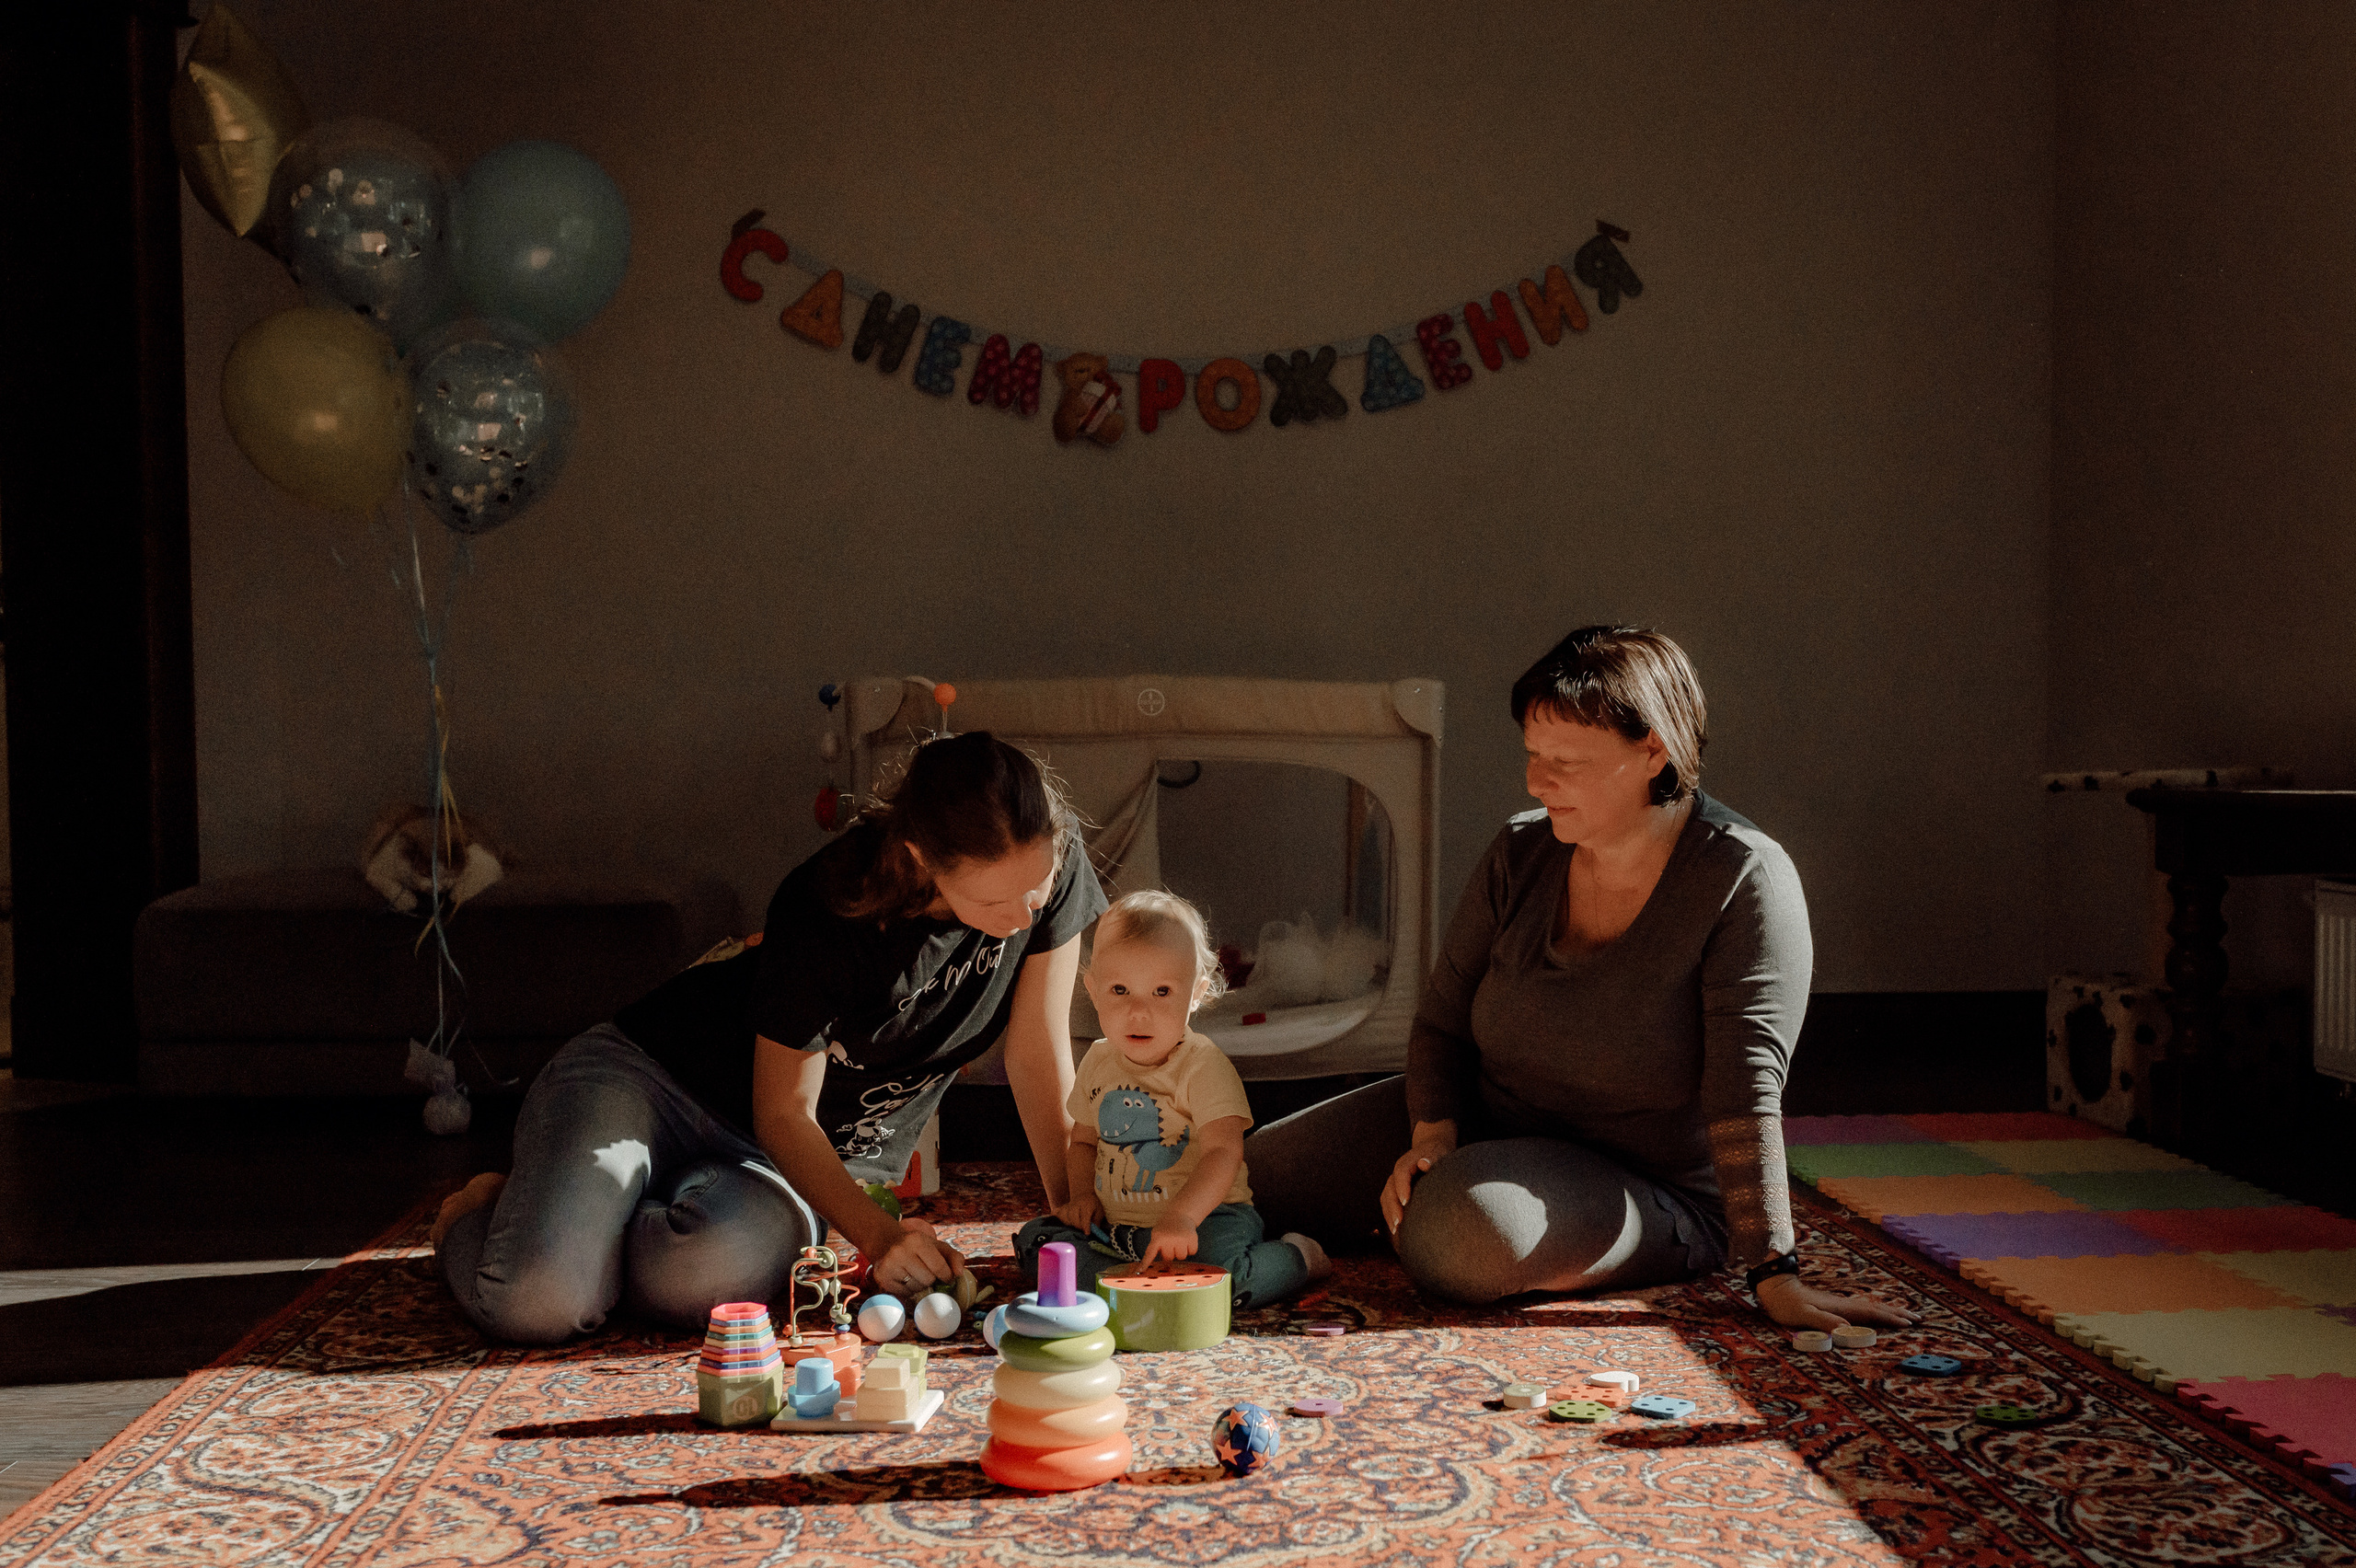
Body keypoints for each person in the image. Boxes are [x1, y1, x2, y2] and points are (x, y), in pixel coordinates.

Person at [1246, 627, 1912, 1333]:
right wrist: (1432, 1135)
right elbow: (1441, 1022)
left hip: (1645, 1185)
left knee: (1459, 1235)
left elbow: (1745, 1090)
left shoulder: (1745, 879)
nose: (1538, 781)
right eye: (1534, 756)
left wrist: (1773, 1270)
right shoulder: (1520, 850)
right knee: (1244, 1175)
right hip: (1489, 1121)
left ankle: (1499, 1217)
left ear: (1653, 749)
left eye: (1566, 761)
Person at [431, 730, 1107, 1343]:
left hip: (781, 1158)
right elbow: (783, 1110)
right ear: (919, 858)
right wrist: (879, 1236)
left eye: (1039, 893)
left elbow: (1038, 1048)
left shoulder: (1051, 855)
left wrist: (1071, 1211)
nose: (1023, 916)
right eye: (994, 903)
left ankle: (579, 1215)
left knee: (703, 1277)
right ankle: (479, 1213)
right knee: (539, 1302)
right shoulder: (826, 905)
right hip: (650, 1078)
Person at [1013, 890, 1330, 1307]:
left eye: (1161, 992)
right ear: (1092, 989)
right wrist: (1082, 1198)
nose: (1138, 1011)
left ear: (1195, 993)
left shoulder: (1203, 1066)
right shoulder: (1098, 1059)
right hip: (1118, 1227)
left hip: (1208, 1222)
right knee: (1037, 1243)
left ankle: (1298, 1257)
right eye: (1120, 990)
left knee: (1228, 1281)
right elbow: (1085, 1142)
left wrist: (1182, 1217)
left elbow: (1223, 1152)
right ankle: (1136, 1280)